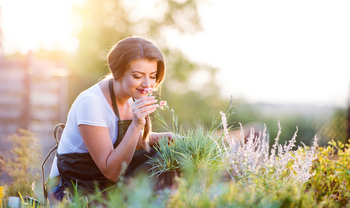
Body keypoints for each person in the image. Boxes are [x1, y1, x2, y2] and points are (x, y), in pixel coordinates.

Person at [47, 36, 174, 202]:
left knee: (169, 156)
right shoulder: (91, 103)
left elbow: (124, 140)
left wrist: (169, 137)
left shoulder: (131, 94)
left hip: (101, 178)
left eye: (152, 75)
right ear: (118, 73)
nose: (147, 84)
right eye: (137, 76)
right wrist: (136, 124)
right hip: (73, 187)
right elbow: (112, 171)